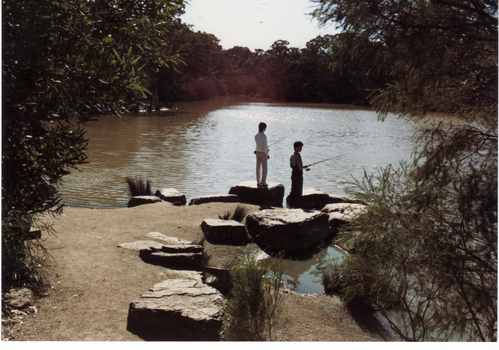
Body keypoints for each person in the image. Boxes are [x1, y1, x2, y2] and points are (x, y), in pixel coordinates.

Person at [288, 141, 308, 208]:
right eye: (300, 147)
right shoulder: (297, 156)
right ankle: (297, 205)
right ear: (296, 148)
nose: (301, 148)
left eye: (301, 147)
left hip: (293, 173)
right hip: (298, 175)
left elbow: (291, 165)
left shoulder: (292, 156)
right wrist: (304, 166)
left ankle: (291, 205)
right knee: (298, 190)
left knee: (293, 189)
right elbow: (299, 167)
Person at [254, 122, 269, 186]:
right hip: (263, 153)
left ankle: (258, 181)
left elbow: (259, 144)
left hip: (257, 152)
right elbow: (265, 147)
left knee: (258, 167)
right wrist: (267, 154)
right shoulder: (264, 136)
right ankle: (263, 181)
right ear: (263, 128)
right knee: (264, 167)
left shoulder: (256, 136)